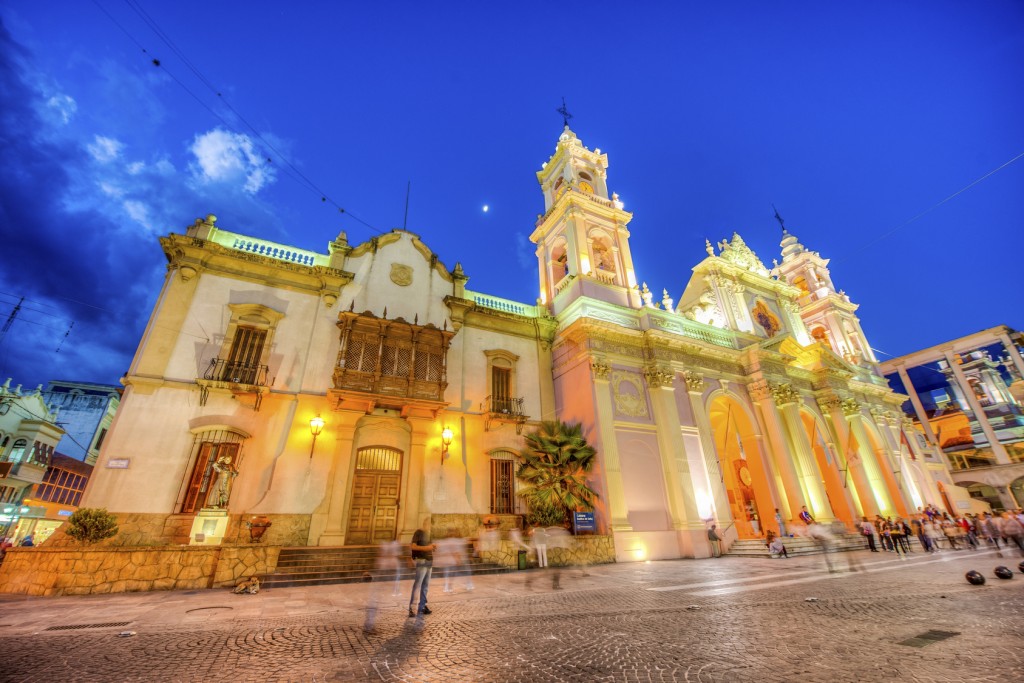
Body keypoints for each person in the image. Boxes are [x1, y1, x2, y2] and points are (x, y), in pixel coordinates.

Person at [408, 517, 436, 617]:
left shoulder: (430, 534)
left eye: (431, 524)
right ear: (425, 523)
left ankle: (423, 606)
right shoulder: (418, 532)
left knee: (425, 586)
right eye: (428, 523)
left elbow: (430, 546)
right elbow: (413, 546)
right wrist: (427, 548)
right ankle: (412, 607)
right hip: (421, 561)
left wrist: (433, 547)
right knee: (418, 585)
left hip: (429, 562)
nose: (429, 526)